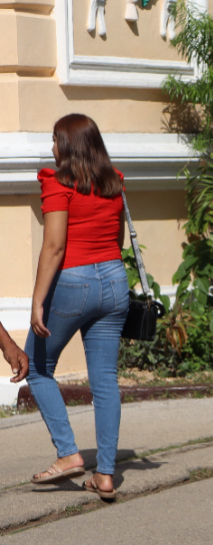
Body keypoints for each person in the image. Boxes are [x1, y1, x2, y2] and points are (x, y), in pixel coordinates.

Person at [26, 114, 129, 501]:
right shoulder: (114, 181)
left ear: (67, 145)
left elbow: (53, 246)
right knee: (105, 380)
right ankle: (105, 475)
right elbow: (115, 238)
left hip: (74, 281)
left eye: (55, 140)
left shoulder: (57, 183)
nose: (52, 148)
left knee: (36, 367)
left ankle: (68, 454)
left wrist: (38, 300)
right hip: (115, 280)